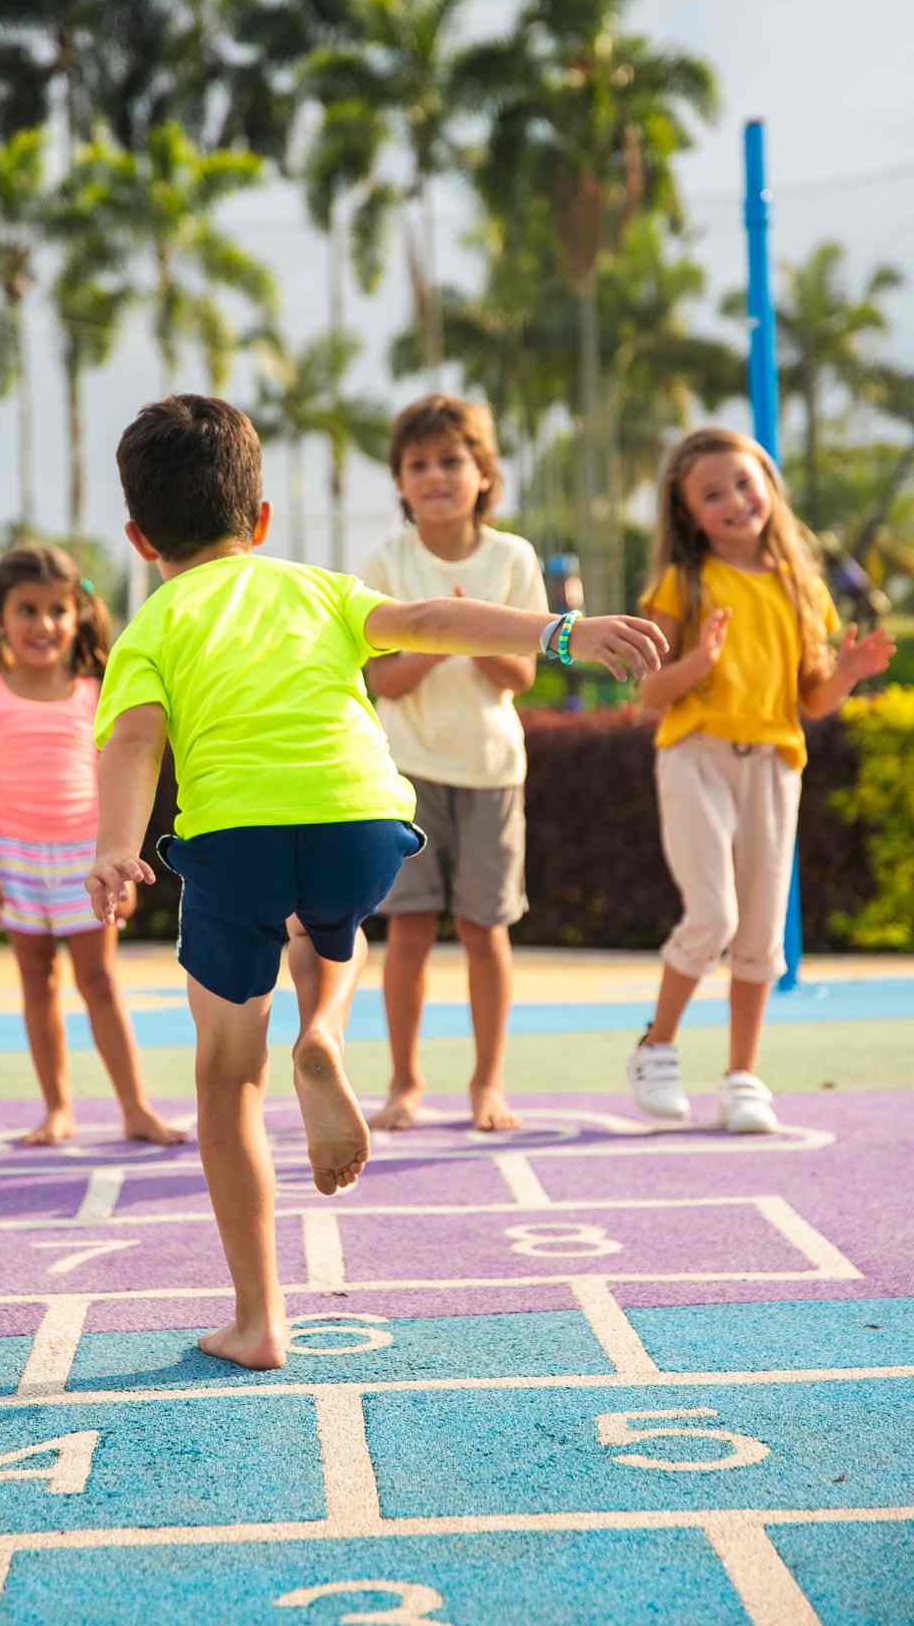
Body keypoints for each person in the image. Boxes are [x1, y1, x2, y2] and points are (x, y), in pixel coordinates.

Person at [86, 394, 666, 1369]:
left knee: (227, 1078)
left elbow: (137, 741)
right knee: (338, 924)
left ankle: (260, 1320)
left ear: (142, 537)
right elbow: (435, 619)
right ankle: (324, 1031)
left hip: (236, 835)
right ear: (261, 522)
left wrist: (114, 845)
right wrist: (564, 634)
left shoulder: (150, 629)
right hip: (361, 817)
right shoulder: (316, 587)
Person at [632, 427, 895, 1133]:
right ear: (688, 514)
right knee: (711, 915)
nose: (734, 501)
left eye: (745, 485)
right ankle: (657, 1047)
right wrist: (700, 664)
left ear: (770, 489)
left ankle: (743, 1076)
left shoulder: (802, 587)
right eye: (712, 494)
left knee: (759, 930)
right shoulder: (680, 583)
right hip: (696, 757)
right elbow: (651, 692)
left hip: (775, 765)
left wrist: (846, 673)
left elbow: (812, 700)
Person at [0, 543, 184, 1150]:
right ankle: (57, 1110)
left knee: (100, 981)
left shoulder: (96, 691)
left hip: (88, 859)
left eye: (57, 610)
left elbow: (123, 777)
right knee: (37, 983)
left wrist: (121, 863)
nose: (43, 625)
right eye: (27, 610)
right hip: (16, 862)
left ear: (78, 614)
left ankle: (136, 1108)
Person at [361, 393, 547, 1133]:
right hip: (404, 772)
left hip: (492, 771)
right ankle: (405, 1082)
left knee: (484, 929)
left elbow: (522, 676)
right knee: (407, 930)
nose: (435, 475)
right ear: (400, 482)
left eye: (451, 461)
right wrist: (434, 631)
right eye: (418, 464)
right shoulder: (386, 562)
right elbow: (381, 679)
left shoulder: (513, 558)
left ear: (483, 473)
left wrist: (475, 632)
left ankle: (486, 1085)